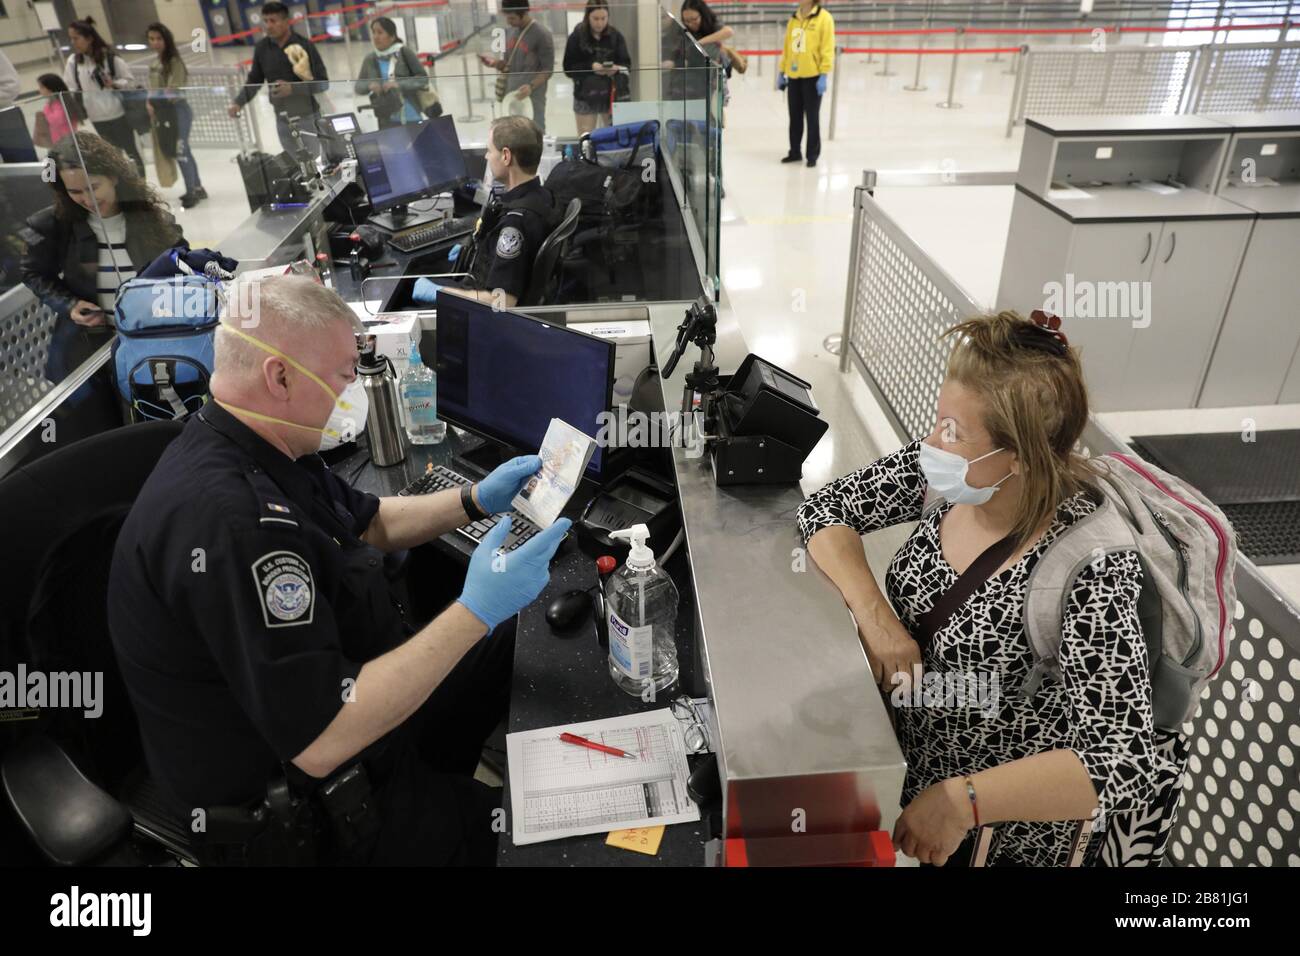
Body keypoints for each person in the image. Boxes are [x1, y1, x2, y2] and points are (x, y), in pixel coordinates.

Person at [107, 274, 570, 865]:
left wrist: (474, 499)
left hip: (356, 693)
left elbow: (369, 520)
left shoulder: (259, 442)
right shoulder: (234, 526)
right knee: (532, 843)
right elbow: (320, 740)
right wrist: (474, 608)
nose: (351, 390)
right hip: (311, 808)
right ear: (279, 377)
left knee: (514, 642)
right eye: (344, 376)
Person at [797, 311, 1187, 867]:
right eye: (939, 419)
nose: (932, 440)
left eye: (953, 430)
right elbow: (827, 511)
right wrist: (879, 622)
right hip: (915, 782)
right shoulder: (951, 473)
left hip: (997, 841)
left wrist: (963, 802)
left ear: (1022, 456)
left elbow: (1120, 763)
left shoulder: (1090, 568)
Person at [20, 132, 182, 385]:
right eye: (75, 191)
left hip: (154, 338)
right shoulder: (54, 224)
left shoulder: (153, 219)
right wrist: (69, 304)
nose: (88, 199)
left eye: (93, 187)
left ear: (114, 177)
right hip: (93, 347)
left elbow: (184, 265)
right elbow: (33, 272)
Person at [412, 116, 557, 310]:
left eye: (489, 151)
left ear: (506, 156)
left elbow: (502, 301)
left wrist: (439, 293)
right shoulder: (543, 195)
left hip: (481, 312)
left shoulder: (515, 224)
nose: (486, 157)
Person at [227, 2, 329, 156]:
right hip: (282, 120)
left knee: (316, 164)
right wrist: (238, 102)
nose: (268, 26)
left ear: (286, 21)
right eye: (265, 21)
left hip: (307, 118)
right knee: (295, 167)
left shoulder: (305, 45)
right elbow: (254, 80)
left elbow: (322, 83)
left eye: (273, 21)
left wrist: (293, 88)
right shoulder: (262, 48)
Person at [64, 17, 146, 177]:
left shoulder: (110, 57)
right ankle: (125, 188)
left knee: (131, 152)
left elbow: (129, 81)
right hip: (96, 117)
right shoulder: (73, 62)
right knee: (112, 156)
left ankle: (141, 188)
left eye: (76, 38)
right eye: (71, 38)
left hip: (119, 114)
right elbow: (70, 87)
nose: (73, 42)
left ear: (89, 38)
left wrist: (114, 84)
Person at [146, 22, 208, 209]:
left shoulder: (174, 62)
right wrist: (149, 102)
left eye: (159, 38)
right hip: (163, 113)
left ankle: (192, 191)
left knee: (181, 150)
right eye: (151, 39)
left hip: (178, 111)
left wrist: (157, 99)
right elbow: (153, 89)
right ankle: (197, 187)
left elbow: (172, 91)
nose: (155, 42)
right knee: (182, 150)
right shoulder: (155, 63)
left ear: (166, 40)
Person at [479, 0, 554, 135]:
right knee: (512, 135)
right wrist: (495, 63)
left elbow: (547, 70)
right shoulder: (511, 31)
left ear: (524, 13)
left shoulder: (542, 35)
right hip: (510, 97)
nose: (509, 21)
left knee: (533, 133)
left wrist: (531, 86)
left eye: (512, 18)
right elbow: (508, 64)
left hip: (531, 98)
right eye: (507, 17)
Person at [776, 0, 834, 168]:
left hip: (813, 76)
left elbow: (827, 48)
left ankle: (812, 155)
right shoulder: (794, 18)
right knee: (794, 117)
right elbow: (788, 47)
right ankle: (794, 151)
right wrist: (782, 71)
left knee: (812, 118)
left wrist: (824, 73)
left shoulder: (824, 18)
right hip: (794, 75)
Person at [563, 0, 631, 135]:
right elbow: (568, 68)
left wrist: (616, 68)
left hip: (611, 94)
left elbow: (627, 65)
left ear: (608, 17)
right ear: (587, 16)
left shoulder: (615, 36)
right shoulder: (577, 36)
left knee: (612, 137)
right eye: (595, 18)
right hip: (584, 95)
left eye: (603, 18)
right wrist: (591, 66)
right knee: (586, 139)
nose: (600, 23)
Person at [354, 16, 435, 129]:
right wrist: (369, 85)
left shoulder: (404, 52)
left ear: (392, 36)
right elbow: (358, 87)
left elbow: (423, 79)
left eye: (380, 32)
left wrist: (399, 84)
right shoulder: (370, 58)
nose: (376, 37)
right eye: (373, 32)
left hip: (410, 116)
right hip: (385, 119)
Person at [34, 75, 81, 148]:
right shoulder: (53, 103)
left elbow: (56, 121)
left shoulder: (61, 103)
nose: (39, 90)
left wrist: (46, 110)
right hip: (58, 141)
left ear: (50, 88)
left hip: (67, 142)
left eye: (42, 87)